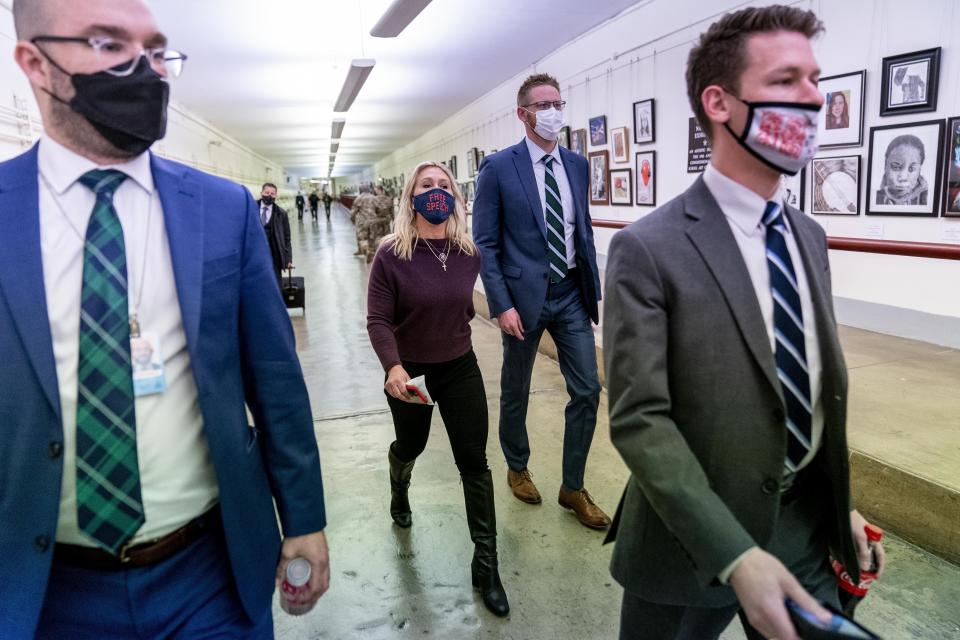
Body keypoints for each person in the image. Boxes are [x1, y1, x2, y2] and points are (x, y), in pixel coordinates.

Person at [0, 0, 330, 637]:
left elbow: (276, 382)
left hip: (207, 575)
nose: (144, 69)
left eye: (154, 50)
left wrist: (306, 518)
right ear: (33, 63)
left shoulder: (220, 210)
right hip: (43, 592)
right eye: (107, 44)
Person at [602, 7, 885, 640]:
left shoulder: (808, 237)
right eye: (788, 81)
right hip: (688, 541)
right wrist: (732, 553)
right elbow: (639, 420)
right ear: (720, 102)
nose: (815, 98)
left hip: (805, 530)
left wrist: (839, 504)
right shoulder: (649, 248)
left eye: (816, 79)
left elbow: (804, 389)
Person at [366, 161, 510, 617]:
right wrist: (393, 367)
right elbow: (378, 320)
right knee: (412, 444)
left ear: (456, 196)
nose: (436, 192)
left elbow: (464, 308)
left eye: (444, 185)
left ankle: (486, 565)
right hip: (411, 373)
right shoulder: (392, 253)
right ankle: (399, 484)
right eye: (426, 185)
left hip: (459, 366)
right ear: (411, 197)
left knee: (474, 460)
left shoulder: (469, 252)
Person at [473, 73, 610, 530]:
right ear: (523, 114)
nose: (553, 111)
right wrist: (502, 304)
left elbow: (581, 229)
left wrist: (593, 286)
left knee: (588, 390)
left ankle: (573, 487)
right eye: (543, 104)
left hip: (570, 292)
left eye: (558, 101)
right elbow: (486, 244)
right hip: (522, 299)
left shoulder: (576, 164)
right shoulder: (499, 167)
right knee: (516, 389)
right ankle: (517, 464)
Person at [875, 134, 928, 206]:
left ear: (919, 170)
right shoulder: (874, 198)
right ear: (885, 165)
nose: (903, 178)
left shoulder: (926, 200)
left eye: (911, 169)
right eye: (896, 167)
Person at [258, 182, 293, 287]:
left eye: (272, 194)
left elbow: (287, 238)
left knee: (276, 284)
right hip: (254, 255)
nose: (269, 195)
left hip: (275, 255)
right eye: (267, 192)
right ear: (261, 193)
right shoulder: (251, 209)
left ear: (276, 196)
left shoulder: (281, 214)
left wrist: (289, 259)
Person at [350, 185, 378, 262]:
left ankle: (366, 251)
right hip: (373, 221)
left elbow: (353, 212)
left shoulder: (359, 198)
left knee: (362, 238)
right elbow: (379, 209)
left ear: (360, 190)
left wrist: (352, 220)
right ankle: (371, 253)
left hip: (362, 221)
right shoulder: (374, 198)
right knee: (372, 238)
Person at [372, 185, 394, 252]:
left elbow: (372, 211)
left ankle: (378, 251)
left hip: (378, 220)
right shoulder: (389, 199)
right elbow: (392, 211)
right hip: (387, 219)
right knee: (387, 235)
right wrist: (394, 220)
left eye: (376, 190)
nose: (375, 192)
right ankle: (388, 250)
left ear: (379, 190)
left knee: (378, 236)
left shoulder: (374, 199)